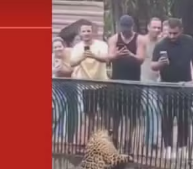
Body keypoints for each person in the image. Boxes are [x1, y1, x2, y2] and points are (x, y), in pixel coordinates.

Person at [151, 18, 193, 161]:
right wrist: (160, 64)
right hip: (167, 87)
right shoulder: (161, 45)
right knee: (167, 118)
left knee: (184, 118)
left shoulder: (189, 41)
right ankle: (168, 147)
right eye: (170, 33)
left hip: (185, 86)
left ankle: (182, 147)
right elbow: (153, 66)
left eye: (175, 33)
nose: (172, 36)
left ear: (181, 30)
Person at [107, 15, 147, 152]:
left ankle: (128, 140)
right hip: (117, 80)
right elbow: (109, 57)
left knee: (132, 114)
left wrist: (130, 54)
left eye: (127, 28)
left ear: (132, 27)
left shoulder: (140, 39)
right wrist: (117, 55)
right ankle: (115, 139)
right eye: (123, 28)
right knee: (115, 114)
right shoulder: (114, 38)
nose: (125, 31)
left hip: (133, 81)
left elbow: (141, 59)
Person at [70, 21, 109, 143]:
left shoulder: (101, 45)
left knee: (105, 113)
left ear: (93, 32)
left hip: (102, 83)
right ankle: (90, 140)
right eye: (84, 31)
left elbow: (107, 59)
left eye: (88, 31)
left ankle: (105, 139)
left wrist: (94, 56)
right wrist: (83, 56)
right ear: (80, 34)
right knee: (90, 114)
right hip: (86, 86)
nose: (86, 33)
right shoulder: (77, 48)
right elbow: (72, 63)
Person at [140, 17, 163, 152]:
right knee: (150, 110)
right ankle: (150, 139)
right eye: (154, 27)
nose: (156, 30)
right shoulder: (141, 41)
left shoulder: (161, 43)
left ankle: (152, 140)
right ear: (148, 27)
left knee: (154, 110)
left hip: (157, 80)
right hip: (142, 79)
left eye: (158, 28)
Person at [52, 37, 75, 143]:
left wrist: (62, 68)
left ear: (63, 47)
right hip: (56, 86)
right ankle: (58, 134)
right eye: (55, 47)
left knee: (68, 111)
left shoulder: (70, 54)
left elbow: (72, 69)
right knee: (58, 110)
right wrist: (55, 70)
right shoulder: (52, 58)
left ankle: (66, 135)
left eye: (59, 46)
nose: (58, 49)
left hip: (70, 85)